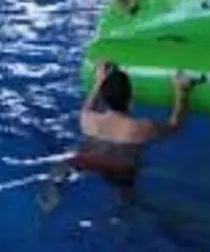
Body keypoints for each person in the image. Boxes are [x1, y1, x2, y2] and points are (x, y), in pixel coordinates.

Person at [39, 62, 200, 211]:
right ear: (130, 98)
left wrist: (99, 80)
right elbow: (175, 125)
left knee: (63, 165)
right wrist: (182, 92)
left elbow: (90, 103)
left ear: (103, 96)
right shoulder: (140, 128)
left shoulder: (87, 118)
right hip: (122, 170)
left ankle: (51, 199)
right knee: (128, 199)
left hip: (89, 161)